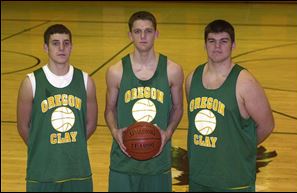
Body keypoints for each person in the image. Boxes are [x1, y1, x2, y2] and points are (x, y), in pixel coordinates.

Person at [185, 19, 275, 192]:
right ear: (205, 45)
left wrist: (239, 148)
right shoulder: (191, 79)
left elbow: (267, 125)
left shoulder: (245, 82)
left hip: (234, 179)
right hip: (199, 176)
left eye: (223, 41)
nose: (217, 47)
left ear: (233, 45)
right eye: (212, 41)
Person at [104, 11, 183, 192]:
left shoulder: (173, 70)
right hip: (123, 162)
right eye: (137, 31)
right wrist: (115, 131)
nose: (143, 36)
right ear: (130, 35)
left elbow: (178, 108)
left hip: (158, 161)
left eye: (148, 31)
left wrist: (168, 133)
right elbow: (109, 110)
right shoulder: (116, 71)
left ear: (156, 34)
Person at [17, 24, 98, 192]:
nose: (61, 48)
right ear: (46, 47)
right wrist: (43, 146)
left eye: (66, 43)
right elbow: (23, 127)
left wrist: (70, 146)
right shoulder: (31, 82)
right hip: (42, 171)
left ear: (71, 46)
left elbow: (91, 124)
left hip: (78, 169)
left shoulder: (85, 81)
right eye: (55, 43)